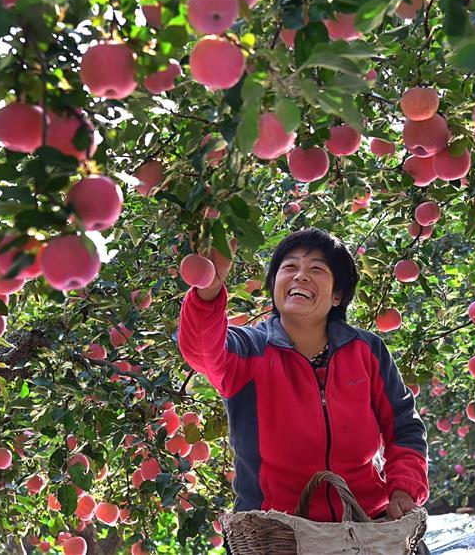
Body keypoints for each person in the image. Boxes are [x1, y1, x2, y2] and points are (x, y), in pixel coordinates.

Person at [176, 228, 430, 553]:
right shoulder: (250, 351)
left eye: (316, 269)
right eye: (289, 267)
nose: (301, 276)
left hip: (369, 528)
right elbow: (201, 349)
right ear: (275, 288)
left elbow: (405, 429)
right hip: (276, 535)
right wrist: (208, 291)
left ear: (337, 295)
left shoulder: (367, 351)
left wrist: (403, 490)